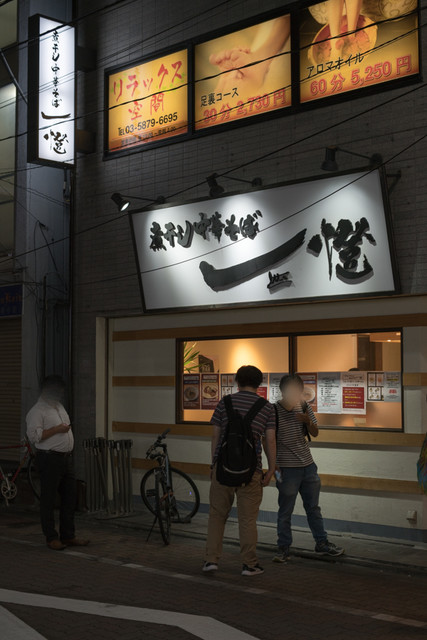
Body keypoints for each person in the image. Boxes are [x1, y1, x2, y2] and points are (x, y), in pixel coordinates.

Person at [203, 365, 276, 577]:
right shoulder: (267, 407)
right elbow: (270, 440)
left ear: (237, 381)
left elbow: (215, 435)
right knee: (247, 520)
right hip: (251, 471)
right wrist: (271, 468)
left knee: (217, 516)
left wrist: (214, 464)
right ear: (259, 383)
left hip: (223, 469)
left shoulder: (224, 403)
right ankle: (249, 564)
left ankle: (211, 560)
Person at [274, 374, 344, 563]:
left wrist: (307, 421)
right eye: (291, 390)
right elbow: (268, 439)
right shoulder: (273, 410)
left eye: (297, 390)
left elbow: (315, 432)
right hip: (286, 469)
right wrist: (273, 466)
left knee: (313, 508)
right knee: (285, 510)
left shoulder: (304, 406)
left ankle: (322, 543)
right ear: (282, 391)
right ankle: (283, 548)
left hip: (308, 466)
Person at [26, 375, 89, 551]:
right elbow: (35, 437)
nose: (60, 395)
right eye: (57, 391)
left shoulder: (59, 407)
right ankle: (51, 537)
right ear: (47, 391)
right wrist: (57, 429)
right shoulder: (37, 411)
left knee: (70, 497)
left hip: (66, 458)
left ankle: (68, 535)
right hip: (49, 458)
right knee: (49, 499)